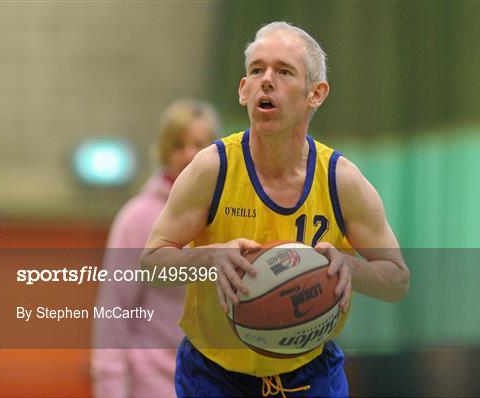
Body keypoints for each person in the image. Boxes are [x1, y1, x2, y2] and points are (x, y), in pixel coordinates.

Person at [141, 22, 410, 398]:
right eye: (257, 70)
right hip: (216, 374)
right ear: (242, 90)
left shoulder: (339, 180)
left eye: (283, 71)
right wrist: (208, 259)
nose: (267, 81)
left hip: (310, 370)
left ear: (316, 93)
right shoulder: (211, 168)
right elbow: (150, 265)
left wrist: (350, 267)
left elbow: (397, 279)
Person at [91, 99, 219, 398]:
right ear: (164, 151)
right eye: (179, 145)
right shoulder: (136, 218)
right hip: (152, 385)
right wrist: (110, 388)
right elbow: (113, 311)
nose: (189, 154)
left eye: (199, 144)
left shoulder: (231, 216)